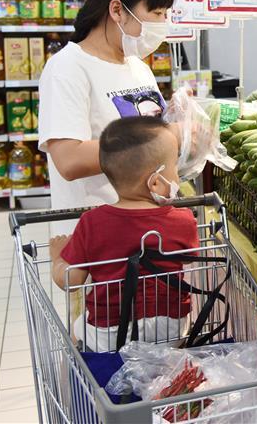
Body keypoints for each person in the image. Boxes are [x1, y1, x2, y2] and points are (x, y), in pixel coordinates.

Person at [38, 0, 175, 230]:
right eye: (157, 14)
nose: (163, 23)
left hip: (146, 229)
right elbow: (69, 159)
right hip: (96, 242)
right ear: (117, 10)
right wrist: (163, 139)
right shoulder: (67, 68)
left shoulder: (137, 66)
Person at [49, 116, 199, 352]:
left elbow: (71, 281)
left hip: (109, 334)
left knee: (76, 332)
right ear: (156, 183)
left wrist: (58, 258)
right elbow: (191, 257)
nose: (177, 177)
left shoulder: (92, 223)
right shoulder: (183, 219)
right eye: (175, 169)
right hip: (172, 328)